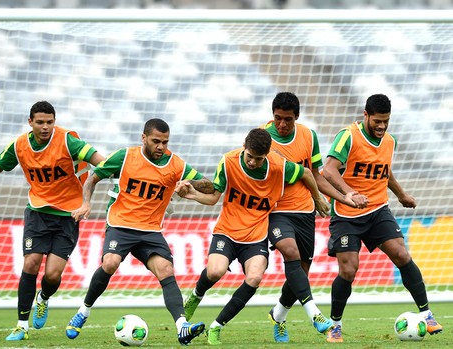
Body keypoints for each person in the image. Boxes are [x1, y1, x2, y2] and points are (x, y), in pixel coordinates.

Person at [0, 101, 105, 341]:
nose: (45, 127)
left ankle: (43, 298)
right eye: (40, 122)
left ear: (54, 122)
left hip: (68, 215)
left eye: (49, 122)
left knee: (53, 276)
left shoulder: (68, 141)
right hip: (38, 212)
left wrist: (114, 178)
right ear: (30, 122)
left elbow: (100, 160)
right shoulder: (20, 146)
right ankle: (21, 326)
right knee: (30, 264)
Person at [65, 118, 213, 345]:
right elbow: (92, 179)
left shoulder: (176, 164)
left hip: (150, 230)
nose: (161, 147)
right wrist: (86, 203)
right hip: (120, 224)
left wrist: (191, 186)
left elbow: (208, 185)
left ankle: (182, 326)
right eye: (156, 141)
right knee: (110, 263)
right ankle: (83, 311)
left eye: (165, 142)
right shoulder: (124, 157)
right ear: (143, 138)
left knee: (166, 269)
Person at [177, 128, 328, 346]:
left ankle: (217, 326)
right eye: (249, 156)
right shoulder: (228, 161)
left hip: (256, 235)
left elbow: (305, 173)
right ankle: (196, 295)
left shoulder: (278, 166)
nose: (252, 162)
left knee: (255, 278)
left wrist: (318, 199)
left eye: (258, 159)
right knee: (215, 271)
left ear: (266, 155)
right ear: (244, 147)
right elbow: (213, 198)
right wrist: (191, 194)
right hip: (227, 232)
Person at [322, 94, 443, 342]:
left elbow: (384, 171)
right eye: (377, 121)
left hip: (377, 209)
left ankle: (427, 315)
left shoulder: (390, 141)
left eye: (386, 121)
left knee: (401, 254)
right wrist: (349, 193)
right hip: (347, 213)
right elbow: (329, 169)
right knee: (349, 269)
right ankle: (335, 325)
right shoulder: (348, 136)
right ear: (365, 115)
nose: (382, 126)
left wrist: (401, 194)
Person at [261, 92, 366, 342]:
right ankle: (315, 314)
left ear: (297, 117)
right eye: (277, 118)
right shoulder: (262, 138)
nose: (282, 124)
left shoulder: (309, 136)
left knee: (301, 272)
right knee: (290, 252)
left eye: (287, 119)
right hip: (276, 211)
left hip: (305, 211)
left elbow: (317, 177)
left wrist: (344, 197)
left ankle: (278, 315)